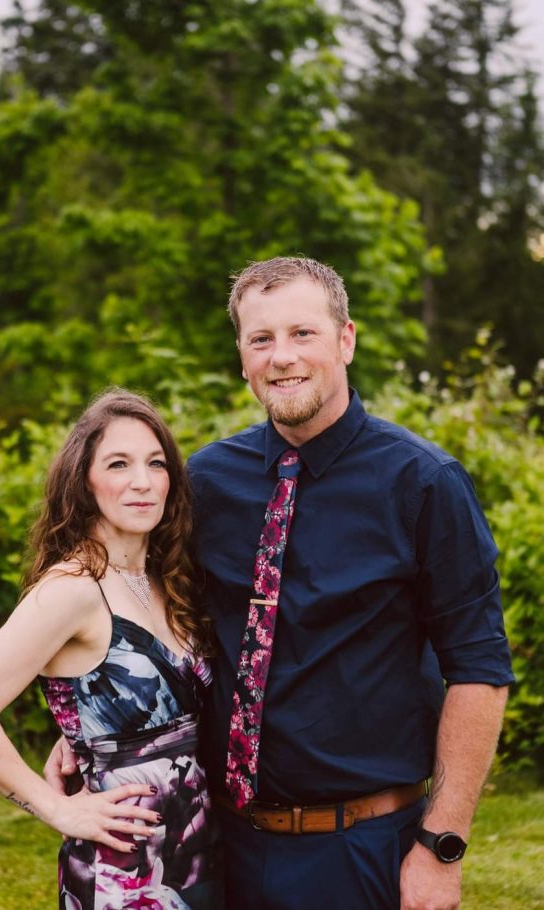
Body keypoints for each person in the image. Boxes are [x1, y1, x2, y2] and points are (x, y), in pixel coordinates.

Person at [46, 257, 514, 910]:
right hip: (217, 842)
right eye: (261, 339)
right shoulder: (204, 483)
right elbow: (153, 622)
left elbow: (479, 670)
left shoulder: (424, 484)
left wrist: (442, 844)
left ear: (345, 340)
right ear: (241, 357)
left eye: (303, 334)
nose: (282, 357)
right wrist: (87, 725)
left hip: (363, 848)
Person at [0, 389, 222, 910]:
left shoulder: (161, 579)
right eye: (118, 463)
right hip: (124, 869)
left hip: (193, 850)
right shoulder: (73, 588)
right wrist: (57, 810)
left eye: (156, 464)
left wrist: (82, 735)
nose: (142, 481)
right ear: (83, 482)